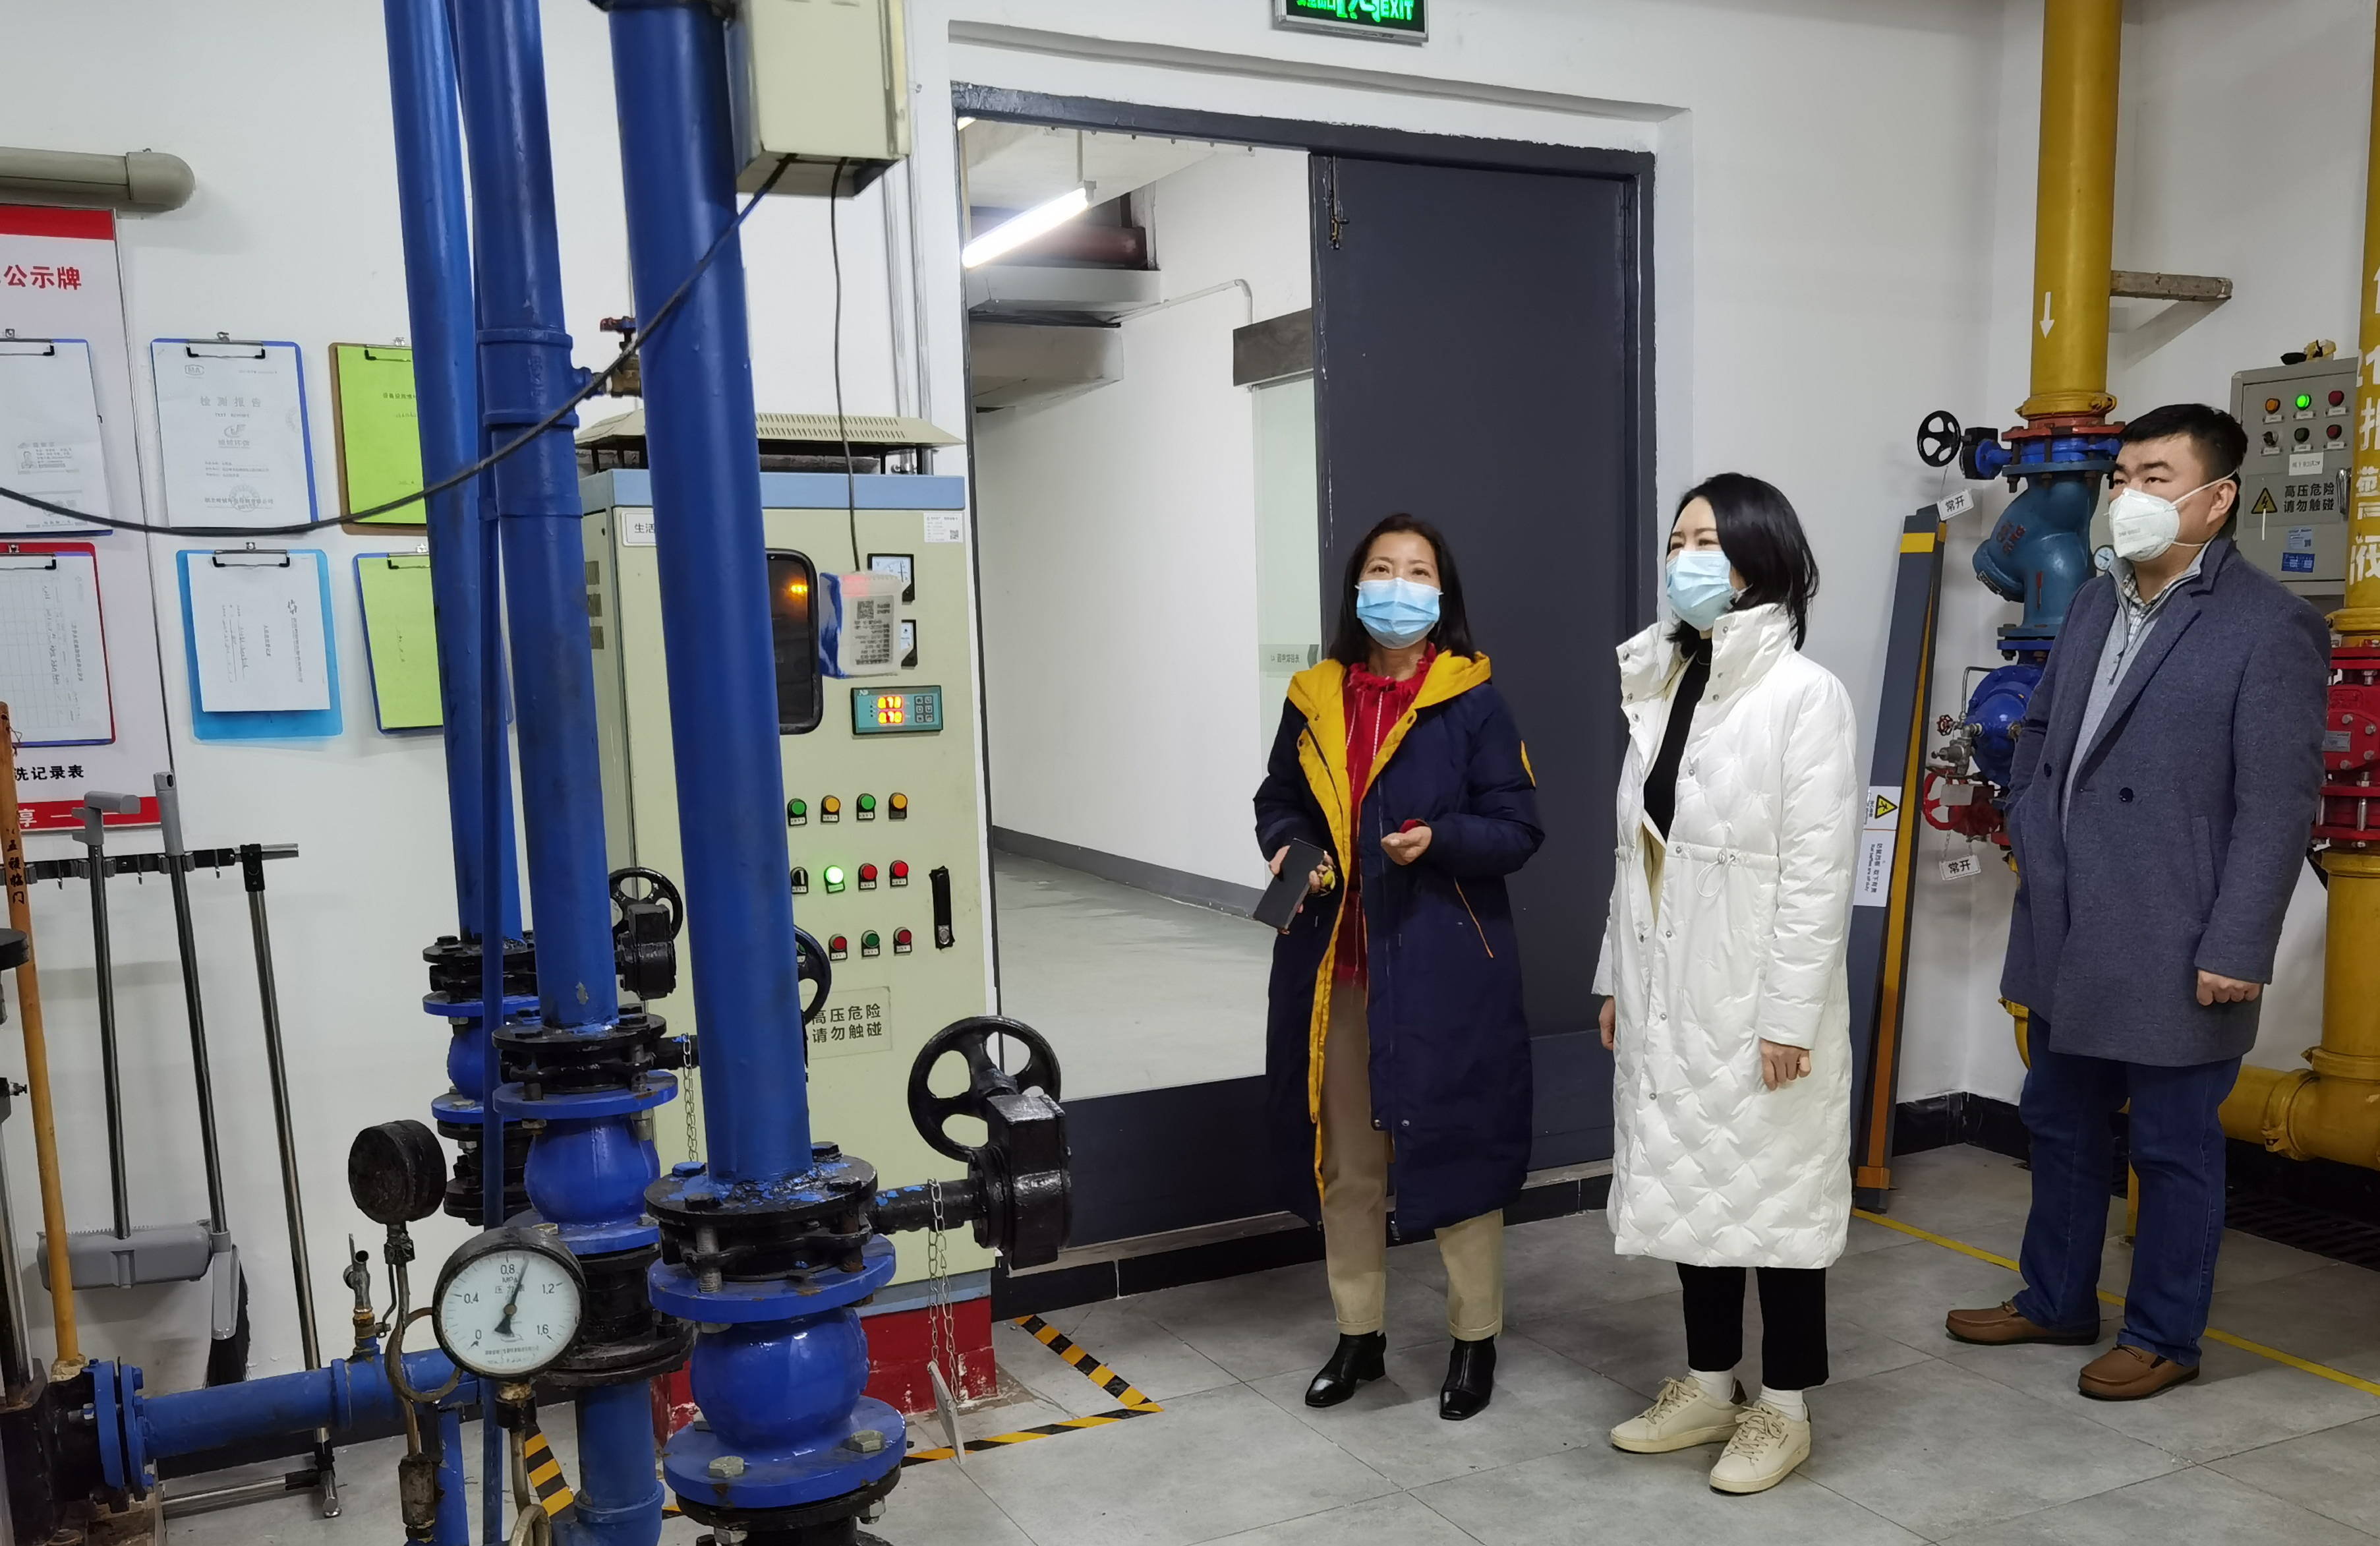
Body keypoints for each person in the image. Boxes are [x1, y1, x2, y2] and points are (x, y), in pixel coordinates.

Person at [1947, 403, 2329, 1399]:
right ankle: (2055, 1298)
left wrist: (2238, 942)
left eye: (2156, 477)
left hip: (2180, 928)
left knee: (2171, 1145)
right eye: (2121, 477)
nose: (2128, 496)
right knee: (2060, 1120)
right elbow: (2040, 732)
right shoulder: (2093, 601)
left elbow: (2280, 804)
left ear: (2217, 497)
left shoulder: (2270, 625)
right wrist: (2031, 823)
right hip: (2069, 916)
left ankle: (2163, 1335)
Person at [1595, 473, 1860, 1495]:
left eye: (1705, 540)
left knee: (1778, 1206)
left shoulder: (1805, 695)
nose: (1684, 558)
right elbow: (1637, 854)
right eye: (1677, 542)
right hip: (1671, 990)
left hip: (1758, 1003)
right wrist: (1616, 976)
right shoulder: (1668, 682)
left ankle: (1783, 1407)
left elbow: (1819, 874)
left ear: (1759, 555)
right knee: (1692, 1188)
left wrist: (1790, 1016)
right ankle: (1710, 1384)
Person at [1252, 513, 1543, 1422]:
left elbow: (1519, 827)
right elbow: (1278, 800)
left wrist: (1440, 839)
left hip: (1443, 970)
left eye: (1417, 571)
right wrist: (1289, 847)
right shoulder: (1314, 697)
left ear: (1441, 594)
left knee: (1455, 1152)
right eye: (1382, 568)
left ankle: (1473, 1339)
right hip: (1336, 973)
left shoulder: (1474, 700)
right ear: (1356, 588)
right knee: (1348, 1163)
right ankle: (1359, 1334)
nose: (1398, 586)